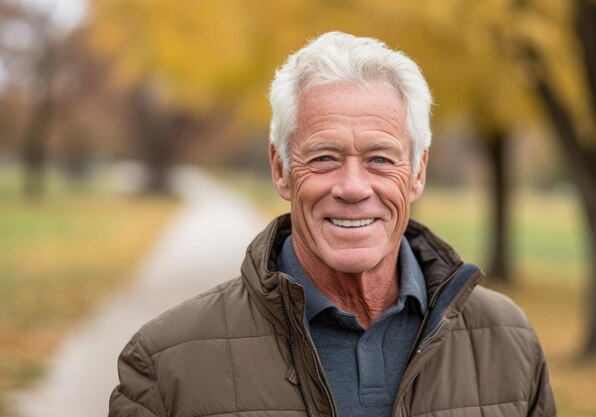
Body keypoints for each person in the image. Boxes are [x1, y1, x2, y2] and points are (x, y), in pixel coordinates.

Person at [109, 32, 556, 417]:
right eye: (324, 157)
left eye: (380, 159)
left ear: (418, 171)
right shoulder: (167, 366)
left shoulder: (509, 342)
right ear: (281, 168)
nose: (352, 187)